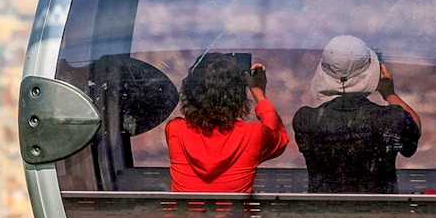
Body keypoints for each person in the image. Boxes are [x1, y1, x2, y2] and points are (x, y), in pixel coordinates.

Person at [292, 35, 421, 194]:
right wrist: (389, 93)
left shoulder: (305, 120)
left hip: (324, 214)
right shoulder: (391, 119)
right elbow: (412, 136)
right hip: (381, 215)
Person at [165, 52, 289, 193]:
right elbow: (280, 138)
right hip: (235, 216)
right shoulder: (253, 135)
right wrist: (259, 93)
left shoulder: (175, 130)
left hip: (183, 215)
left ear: (191, 90)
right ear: (237, 94)